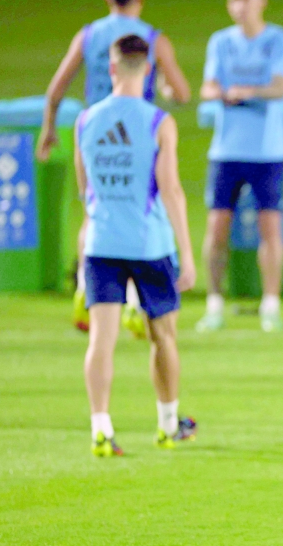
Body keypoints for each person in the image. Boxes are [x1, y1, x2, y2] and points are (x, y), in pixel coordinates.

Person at [36, 0, 191, 336]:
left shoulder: (88, 35)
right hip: (139, 129)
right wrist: (166, 91)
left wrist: (48, 129)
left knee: (94, 208)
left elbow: (56, 88)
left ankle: (84, 289)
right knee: (142, 213)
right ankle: (137, 304)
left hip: (94, 130)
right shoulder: (152, 40)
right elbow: (182, 93)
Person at [75, 35, 197, 456]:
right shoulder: (158, 122)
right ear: (148, 70)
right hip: (149, 243)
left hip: (101, 242)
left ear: (110, 69)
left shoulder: (86, 121)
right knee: (163, 336)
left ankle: (101, 429)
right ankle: (167, 424)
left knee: (101, 342)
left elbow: (85, 189)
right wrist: (187, 255)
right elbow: (172, 191)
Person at [197, 0, 283, 333]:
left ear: (261, 2)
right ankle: (214, 303)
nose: (239, 6)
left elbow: (280, 86)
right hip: (226, 150)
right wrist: (221, 93)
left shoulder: (279, 40)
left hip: (267, 150)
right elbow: (207, 87)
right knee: (216, 227)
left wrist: (247, 91)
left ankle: (271, 304)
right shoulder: (221, 42)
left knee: (271, 228)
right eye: (233, 0)